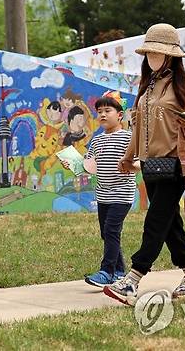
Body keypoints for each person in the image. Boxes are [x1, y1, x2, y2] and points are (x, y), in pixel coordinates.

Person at [103, 23, 185, 305]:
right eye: (148, 52)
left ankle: (133, 279)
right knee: (169, 222)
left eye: (156, 52)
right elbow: (138, 126)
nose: (151, 58)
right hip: (149, 165)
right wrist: (128, 156)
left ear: (170, 55)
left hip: (176, 163)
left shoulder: (182, 84)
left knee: (156, 220)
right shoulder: (147, 87)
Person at [61, 92, 136, 287]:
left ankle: (106, 271)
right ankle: (119, 272)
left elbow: (139, 163)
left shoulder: (129, 137)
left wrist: (130, 166)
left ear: (120, 115)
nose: (102, 114)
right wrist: (73, 165)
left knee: (111, 230)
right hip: (103, 195)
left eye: (107, 111)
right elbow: (88, 166)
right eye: (99, 111)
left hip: (122, 194)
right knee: (107, 233)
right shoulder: (96, 141)